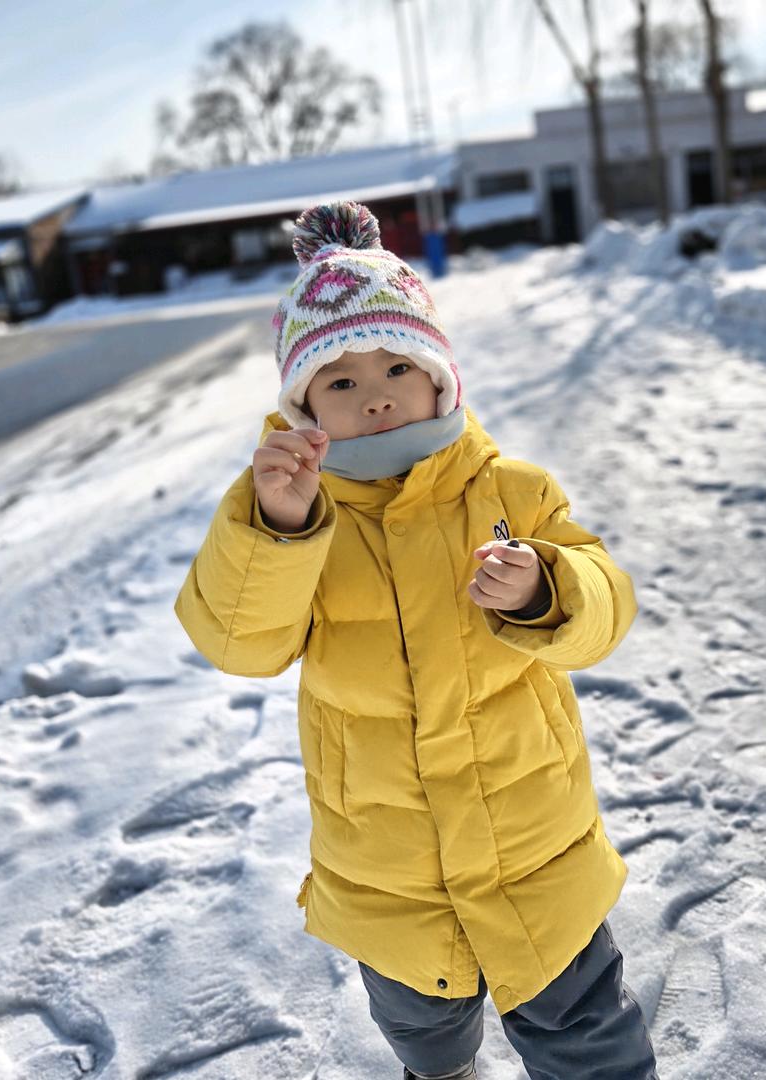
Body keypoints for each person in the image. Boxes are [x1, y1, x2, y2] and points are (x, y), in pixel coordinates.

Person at [174, 201, 658, 1080]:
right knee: (425, 1033)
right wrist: (273, 531)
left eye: (398, 364)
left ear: (441, 375)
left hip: (531, 843)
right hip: (386, 864)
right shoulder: (291, 512)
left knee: (587, 1036)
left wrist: (548, 586)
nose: (378, 394)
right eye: (342, 382)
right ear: (301, 406)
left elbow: (607, 607)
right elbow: (240, 643)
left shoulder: (507, 488)